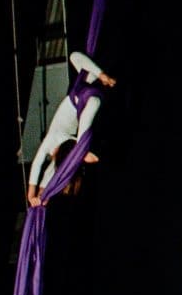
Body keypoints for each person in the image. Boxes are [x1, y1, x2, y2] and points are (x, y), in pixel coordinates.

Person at [26, 51, 116, 207]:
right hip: (86, 99)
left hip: (82, 97)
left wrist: (34, 194)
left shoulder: (53, 142)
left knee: (75, 57)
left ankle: (101, 75)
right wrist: (41, 195)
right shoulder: (64, 144)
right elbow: (48, 170)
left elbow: (40, 166)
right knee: (84, 133)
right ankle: (101, 75)